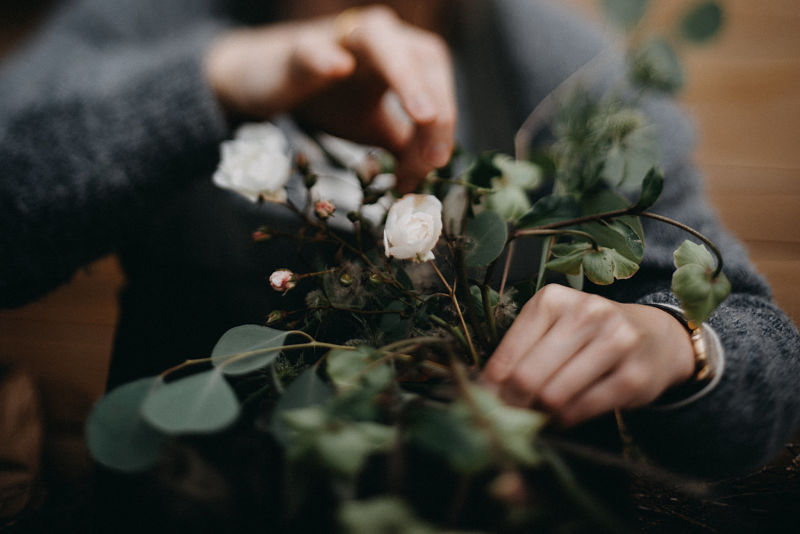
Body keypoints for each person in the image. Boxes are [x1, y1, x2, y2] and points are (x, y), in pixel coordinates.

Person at [1, 0, 798, 483]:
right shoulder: (140, 24)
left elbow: (763, 362)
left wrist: (677, 344)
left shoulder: (558, 64)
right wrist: (216, 79)